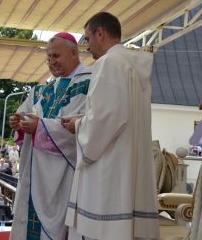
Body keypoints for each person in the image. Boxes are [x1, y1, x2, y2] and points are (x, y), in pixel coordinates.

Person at [63, 12, 159, 240]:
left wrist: (79, 124)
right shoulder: (133, 66)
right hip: (128, 166)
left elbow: (105, 119)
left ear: (100, 33)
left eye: (87, 39)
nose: (86, 46)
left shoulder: (109, 64)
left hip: (110, 174)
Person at [9, 32, 92, 240]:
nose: (51, 62)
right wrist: (18, 123)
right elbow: (26, 112)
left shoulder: (89, 84)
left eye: (56, 56)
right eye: (48, 58)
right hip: (35, 172)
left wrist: (40, 127)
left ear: (74, 53)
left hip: (65, 173)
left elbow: (86, 126)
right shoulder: (42, 90)